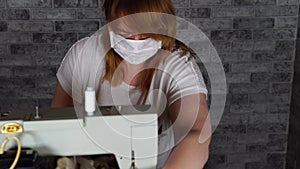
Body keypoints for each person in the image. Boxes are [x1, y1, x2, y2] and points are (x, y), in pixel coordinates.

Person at [51, 0, 211, 168]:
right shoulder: (83, 55)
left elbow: (196, 134)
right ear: (109, 24)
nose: (136, 42)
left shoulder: (178, 64)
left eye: (145, 35)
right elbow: (54, 127)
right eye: (125, 34)